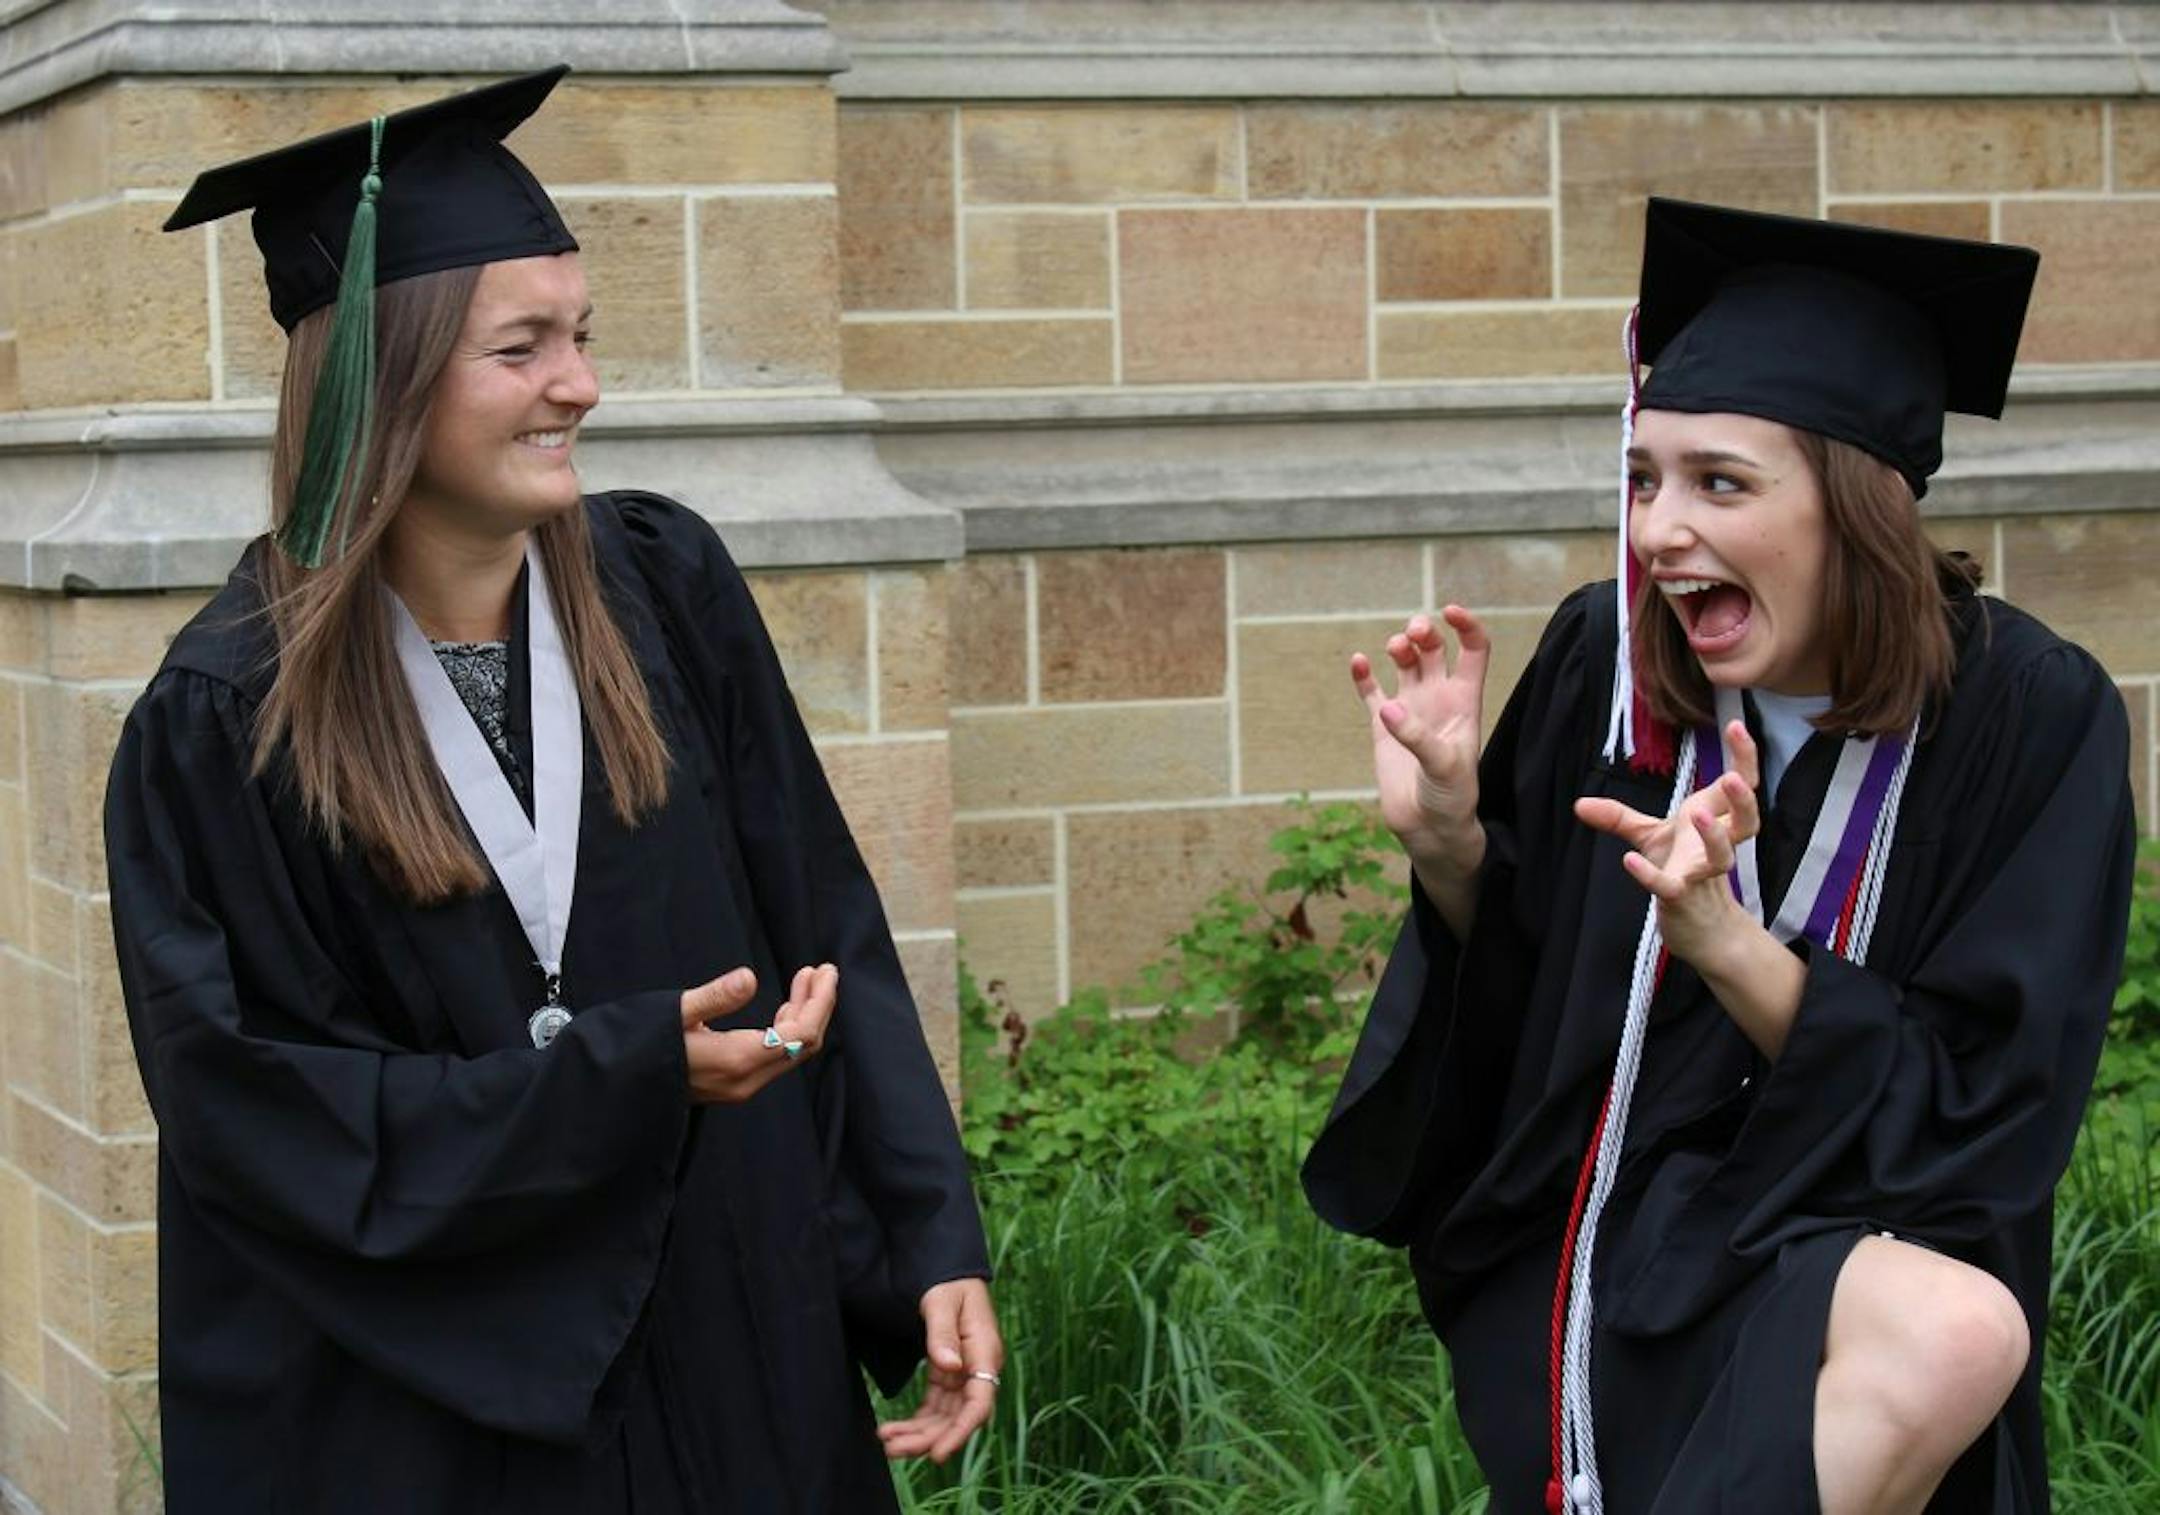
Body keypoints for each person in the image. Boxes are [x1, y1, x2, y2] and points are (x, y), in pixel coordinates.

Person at [104, 67, 1000, 1514]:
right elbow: (256, 1115)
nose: (579, 384)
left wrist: (927, 1234)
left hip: (729, 1342)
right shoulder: (229, 721)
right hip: (443, 1418)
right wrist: (612, 1079)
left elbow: (822, 910)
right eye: (522, 348)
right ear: (378, 381)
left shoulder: (665, 591)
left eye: (579, 337)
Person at [1303, 198, 2136, 1514]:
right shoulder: (1608, 663)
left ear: (1854, 506)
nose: (1656, 532)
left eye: (1719, 484)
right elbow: (1521, 1007)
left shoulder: (2029, 717)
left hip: (1859, 1241)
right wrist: (1454, 843)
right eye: (1645, 479)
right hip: (1602, 1238)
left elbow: (1992, 1114)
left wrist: (1733, 950)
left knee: (1952, 1331)